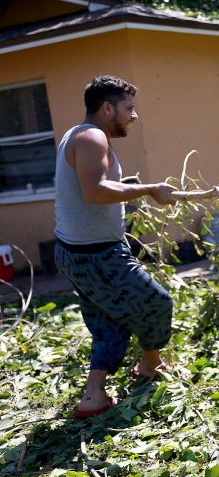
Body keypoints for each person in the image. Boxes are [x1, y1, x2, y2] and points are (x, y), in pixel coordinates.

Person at [54, 76, 177, 418]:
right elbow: (94, 191)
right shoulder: (93, 137)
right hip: (96, 255)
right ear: (107, 108)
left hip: (76, 252)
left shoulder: (79, 133)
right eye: (129, 108)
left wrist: (128, 187)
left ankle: (93, 396)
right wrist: (149, 189)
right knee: (156, 303)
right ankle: (150, 365)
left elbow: (92, 187)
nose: (134, 117)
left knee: (111, 319)